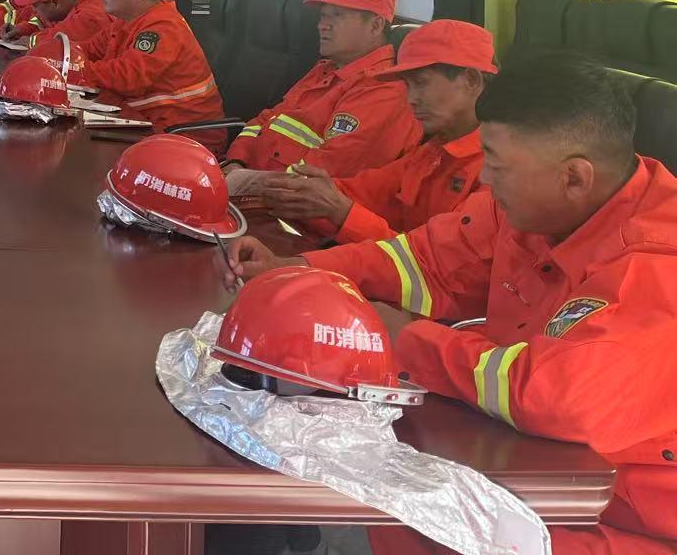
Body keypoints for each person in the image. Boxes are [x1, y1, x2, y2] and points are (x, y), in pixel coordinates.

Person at [225, 53, 677, 554]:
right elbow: (422, 262)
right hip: (533, 466)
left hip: (629, 521)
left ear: (574, 178)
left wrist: (406, 340)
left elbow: (558, 397)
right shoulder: (532, 205)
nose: (486, 180)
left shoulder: (656, 262)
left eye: (497, 166)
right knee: (388, 500)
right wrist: (298, 273)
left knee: (418, 522)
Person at [257, 20, 493, 242]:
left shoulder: (496, 173)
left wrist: (341, 211)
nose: (411, 99)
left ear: (471, 80)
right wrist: (283, 190)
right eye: (408, 86)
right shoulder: (432, 153)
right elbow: (364, 190)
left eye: (421, 83)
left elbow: (433, 262)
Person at [224, 0, 420, 194]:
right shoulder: (325, 69)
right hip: (254, 183)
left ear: (375, 26)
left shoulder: (383, 90)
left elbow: (326, 174)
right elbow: (266, 119)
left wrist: (242, 183)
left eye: (337, 15)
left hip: (288, 204)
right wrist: (237, 161)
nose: (322, 25)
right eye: (323, 15)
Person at [75, 0, 224, 137]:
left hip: (183, 135)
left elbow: (127, 78)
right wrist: (58, 57)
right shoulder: (126, 20)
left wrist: (74, 69)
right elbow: (89, 49)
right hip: (147, 122)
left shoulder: (164, 27)